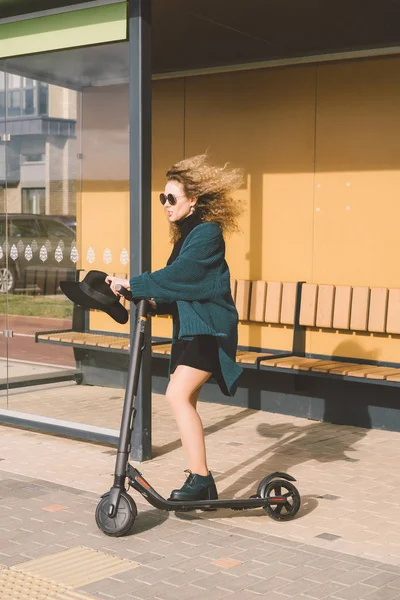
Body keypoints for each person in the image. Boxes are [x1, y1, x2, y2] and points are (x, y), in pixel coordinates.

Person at [106, 154, 244, 502]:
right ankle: (202, 482)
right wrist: (145, 300)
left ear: (193, 200)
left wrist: (135, 284)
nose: (165, 205)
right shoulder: (186, 236)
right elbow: (178, 291)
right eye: (162, 198)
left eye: (172, 198)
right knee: (186, 400)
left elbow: (181, 278)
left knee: (176, 395)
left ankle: (201, 479)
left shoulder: (207, 234)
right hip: (191, 329)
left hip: (208, 330)